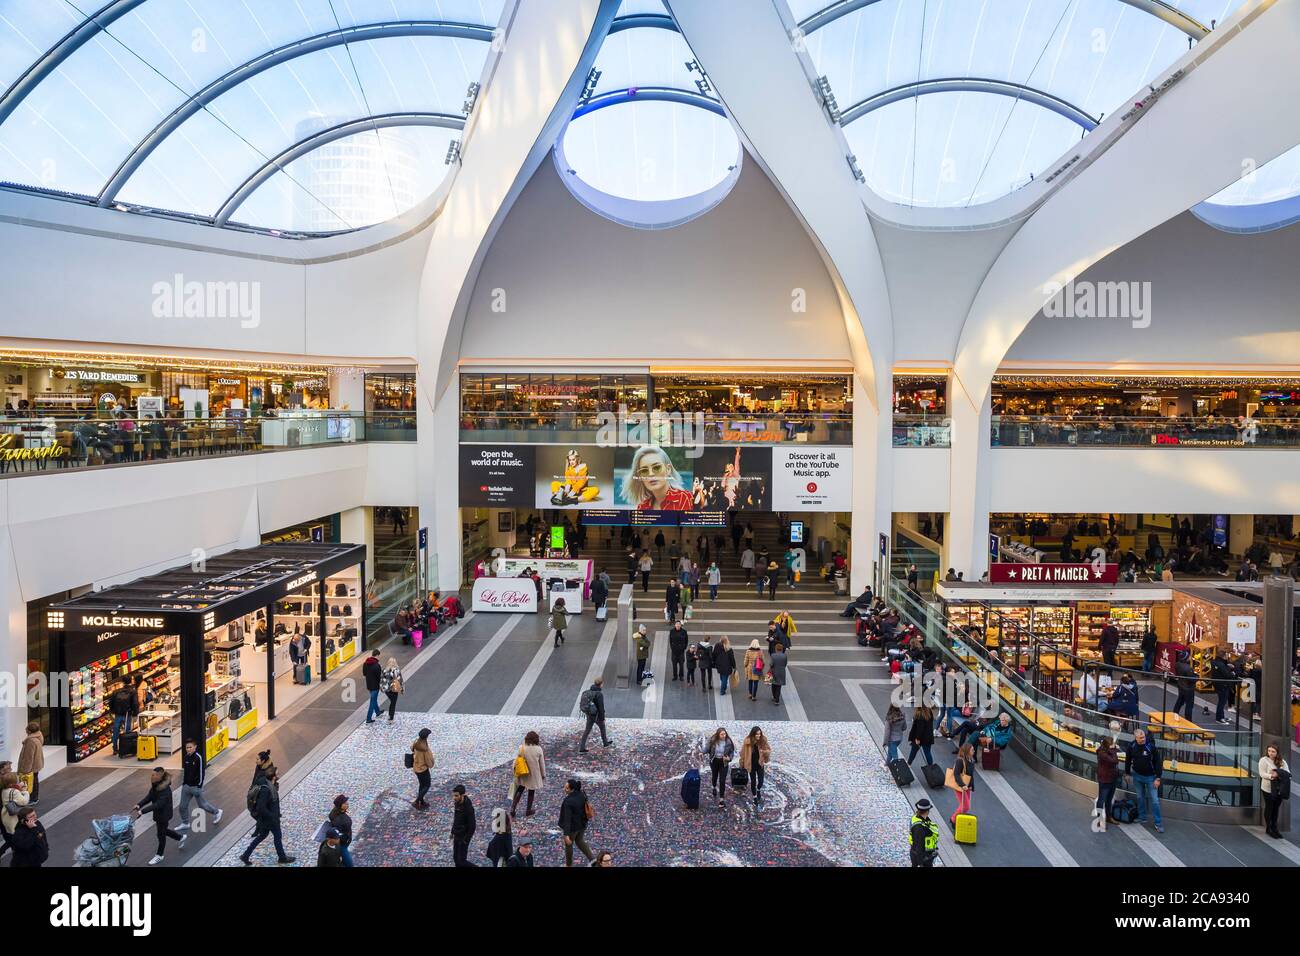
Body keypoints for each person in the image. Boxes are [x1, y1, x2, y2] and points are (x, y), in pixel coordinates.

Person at [241, 765, 295, 865]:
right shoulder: (266, 789)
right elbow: (261, 807)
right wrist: (272, 816)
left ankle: (245, 855)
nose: (279, 774)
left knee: (262, 836)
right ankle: (282, 857)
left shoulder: (270, 784)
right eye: (277, 773)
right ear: (273, 776)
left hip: (267, 819)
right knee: (277, 836)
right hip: (270, 819)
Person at [131, 767, 185, 865]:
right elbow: (150, 796)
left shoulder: (165, 790)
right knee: (163, 831)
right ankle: (180, 837)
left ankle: (159, 855)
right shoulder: (155, 785)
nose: (151, 776)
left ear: (159, 776)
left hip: (164, 814)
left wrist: (143, 811)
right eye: (152, 774)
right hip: (158, 814)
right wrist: (139, 804)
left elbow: (158, 804)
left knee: (161, 835)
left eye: (154, 775)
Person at [1123, 729, 1164, 834]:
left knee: (1155, 800)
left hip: (1151, 777)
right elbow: (1128, 760)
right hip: (1137, 776)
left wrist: (1158, 778)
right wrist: (1127, 773)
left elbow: (1158, 763)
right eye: (1140, 738)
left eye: (1144, 737)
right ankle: (1142, 817)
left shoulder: (1151, 747)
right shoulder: (1131, 746)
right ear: (1135, 738)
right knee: (1140, 797)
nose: (1143, 739)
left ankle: (1158, 823)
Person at [177, 738, 222, 831]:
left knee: (202, 805)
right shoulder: (186, 757)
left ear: (195, 747)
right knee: (182, 806)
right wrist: (184, 783)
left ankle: (217, 812)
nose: (188, 749)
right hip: (186, 786)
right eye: (187, 747)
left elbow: (202, 772)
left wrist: (199, 786)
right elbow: (186, 772)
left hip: (196, 787)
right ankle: (185, 823)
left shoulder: (198, 757)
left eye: (190, 747)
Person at [559, 778, 594, 867]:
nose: (564, 789)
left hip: (573, 828)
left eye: (567, 788)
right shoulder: (581, 794)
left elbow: (567, 819)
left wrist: (566, 834)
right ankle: (593, 860)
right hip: (582, 824)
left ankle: (568, 865)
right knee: (579, 840)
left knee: (569, 844)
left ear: (572, 789)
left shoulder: (568, 801)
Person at [511, 730, 546, 819]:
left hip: (523, 773)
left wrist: (514, 770)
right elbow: (542, 764)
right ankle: (528, 810)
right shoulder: (538, 749)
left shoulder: (522, 748)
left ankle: (513, 808)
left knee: (520, 790)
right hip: (533, 774)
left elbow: (516, 761)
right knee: (531, 791)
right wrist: (543, 774)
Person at [1259, 743, 1289, 839]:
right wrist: (1272, 776)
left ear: (1277, 752)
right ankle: (1269, 828)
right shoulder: (1263, 760)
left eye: (1273, 751)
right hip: (1267, 789)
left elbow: (1288, 774)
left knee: (1276, 809)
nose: (1270, 753)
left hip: (1279, 789)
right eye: (1269, 751)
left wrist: (1278, 773)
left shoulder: (1282, 762)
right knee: (1269, 807)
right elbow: (1262, 774)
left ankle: (1274, 827)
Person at [702, 728, 735, 807]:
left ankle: (721, 799)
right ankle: (713, 787)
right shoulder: (713, 740)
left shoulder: (728, 742)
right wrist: (702, 752)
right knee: (714, 776)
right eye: (722, 734)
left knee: (722, 780)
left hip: (724, 762)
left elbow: (731, 752)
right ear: (718, 735)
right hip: (714, 761)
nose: (724, 736)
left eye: (724, 734)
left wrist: (729, 758)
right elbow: (707, 748)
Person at [0, 771, 29, 863]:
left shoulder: (4, 791)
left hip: (6, 817)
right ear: (12, 782)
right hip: (14, 819)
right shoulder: (15, 792)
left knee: (10, 838)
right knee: (15, 839)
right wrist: (25, 791)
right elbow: (24, 801)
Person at [739, 727, 771, 805]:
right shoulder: (747, 741)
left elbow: (769, 750)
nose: (758, 735)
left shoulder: (763, 740)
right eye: (757, 734)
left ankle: (758, 789)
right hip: (751, 765)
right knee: (753, 781)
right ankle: (755, 797)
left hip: (760, 764)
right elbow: (742, 753)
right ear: (753, 734)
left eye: (760, 734)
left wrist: (764, 752)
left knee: (761, 781)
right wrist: (742, 762)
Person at [1095, 736, 1120, 831]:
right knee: (1101, 800)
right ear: (1107, 746)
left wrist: (1113, 750)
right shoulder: (1102, 753)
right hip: (1105, 779)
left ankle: (1109, 817)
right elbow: (1114, 761)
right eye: (1112, 744)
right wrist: (1114, 750)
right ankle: (1100, 820)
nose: (1114, 745)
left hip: (1112, 778)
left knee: (1109, 800)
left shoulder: (1108, 751)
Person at [578, 677, 610, 752]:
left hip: (589, 714)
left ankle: (582, 748)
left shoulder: (588, 691)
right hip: (596, 715)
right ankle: (605, 743)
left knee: (587, 730)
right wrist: (602, 718)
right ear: (601, 684)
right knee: (602, 727)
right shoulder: (599, 694)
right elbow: (600, 707)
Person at [949, 743, 975, 825]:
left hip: (967, 786)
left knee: (965, 806)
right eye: (972, 750)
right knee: (965, 806)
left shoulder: (971, 760)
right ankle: (953, 819)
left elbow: (971, 775)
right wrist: (962, 785)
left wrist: (971, 786)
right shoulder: (960, 760)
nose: (974, 751)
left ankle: (957, 819)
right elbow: (956, 774)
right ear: (967, 751)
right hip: (960, 786)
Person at [1209, 648, 1237, 725]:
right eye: (1226, 655)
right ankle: (1219, 718)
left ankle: (1222, 716)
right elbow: (1227, 674)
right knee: (1222, 702)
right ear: (1224, 656)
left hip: (1217, 684)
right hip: (1223, 685)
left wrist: (1226, 665)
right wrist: (1232, 673)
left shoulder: (1214, 662)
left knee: (1222, 701)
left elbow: (1221, 670)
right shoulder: (1221, 664)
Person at [451, 784, 477, 867]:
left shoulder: (468, 808)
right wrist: (452, 831)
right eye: (454, 795)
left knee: (462, 861)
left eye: (456, 796)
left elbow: (472, 826)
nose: (454, 798)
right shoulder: (457, 803)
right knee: (456, 858)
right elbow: (456, 818)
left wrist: (466, 839)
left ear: (462, 795)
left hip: (463, 836)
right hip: (457, 834)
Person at [909, 798, 939, 867]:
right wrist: (921, 863)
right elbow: (919, 846)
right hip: (923, 856)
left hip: (916, 852)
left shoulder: (916, 818)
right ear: (927, 811)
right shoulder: (920, 828)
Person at [17, 722, 43, 803]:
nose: (25, 729)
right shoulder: (38, 736)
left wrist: (25, 770)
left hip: (31, 767)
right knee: (34, 781)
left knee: (30, 783)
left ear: (29, 731)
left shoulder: (30, 741)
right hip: (36, 764)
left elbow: (29, 757)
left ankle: (32, 799)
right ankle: (34, 798)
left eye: (26, 728)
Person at [411, 728, 435, 810]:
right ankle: (417, 801)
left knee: (422, 785)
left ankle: (421, 801)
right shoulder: (424, 749)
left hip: (416, 767)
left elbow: (412, 748)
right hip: (423, 769)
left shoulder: (416, 742)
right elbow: (428, 760)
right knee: (427, 785)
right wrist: (431, 764)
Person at [328, 795, 355, 867]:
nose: (347, 804)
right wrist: (345, 839)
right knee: (349, 864)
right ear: (340, 805)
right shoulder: (339, 819)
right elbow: (339, 832)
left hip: (344, 842)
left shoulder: (336, 813)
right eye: (345, 803)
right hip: (342, 844)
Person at [109, 680, 134, 756]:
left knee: (116, 731)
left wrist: (113, 711)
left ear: (122, 683)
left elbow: (111, 703)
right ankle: (125, 748)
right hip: (127, 714)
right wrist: (134, 712)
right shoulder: (132, 692)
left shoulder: (116, 692)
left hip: (118, 714)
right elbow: (134, 703)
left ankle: (115, 749)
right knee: (127, 732)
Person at [1172, 650, 1197, 721]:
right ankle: (1188, 720)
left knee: (1180, 700)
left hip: (1181, 685)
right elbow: (1192, 679)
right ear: (1186, 658)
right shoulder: (1188, 668)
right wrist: (1197, 677)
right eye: (1189, 656)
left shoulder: (1177, 664)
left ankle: (1175, 712)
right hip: (1188, 688)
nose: (1190, 657)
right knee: (1189, 705)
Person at [362, 651, 383, 723]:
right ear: (377, 655)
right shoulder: (377, 665)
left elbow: (364, 673)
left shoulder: (365, 663)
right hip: (375, 685)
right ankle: (368, 718)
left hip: (369, 684)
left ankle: (378, 712)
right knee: (372, 701)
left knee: (373, 699)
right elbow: (379, 677)